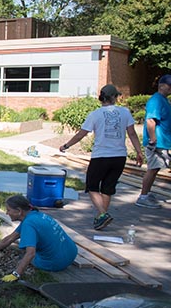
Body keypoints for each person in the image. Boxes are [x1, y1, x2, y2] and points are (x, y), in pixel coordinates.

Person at [60, 84, 143, 228]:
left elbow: (81, 134)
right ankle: (101, 217)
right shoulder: (125, 112)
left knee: (92, 187)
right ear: (113, 97)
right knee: (107, 188)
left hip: (101, 156)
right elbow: (132, 134)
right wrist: (139, 152)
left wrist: (66, 146)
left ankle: (103, 214)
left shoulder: (95, 114)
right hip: (119, 157)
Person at [0, 194, 77, 282]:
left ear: (19, 211)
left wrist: (16, 274)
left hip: (57, 263)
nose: (7, 213)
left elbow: (31, 253)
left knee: (24, 256)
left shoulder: (28, 224)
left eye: (8, 210)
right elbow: (10, 238)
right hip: (72, 253)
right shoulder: (35, 215)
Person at [136, 74, 171, 209]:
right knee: (152, 169)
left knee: (155, 169)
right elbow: (150, 121)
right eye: (169, 86)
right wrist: (153, 140)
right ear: (161, 85)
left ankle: (146, 194)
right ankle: (143, 197)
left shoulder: (163, 100)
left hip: (163, 142)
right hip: (157, 143)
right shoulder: (156, 100)